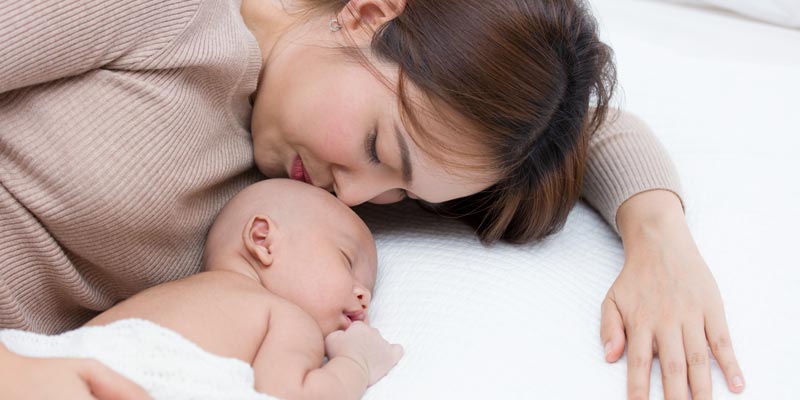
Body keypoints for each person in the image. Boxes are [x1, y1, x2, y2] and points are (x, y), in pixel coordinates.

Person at [0, 0, 743, 399]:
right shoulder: (167, 17)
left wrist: (660, 241)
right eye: (380, 152)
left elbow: (593, 130)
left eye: (397, 194)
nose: (355, 194)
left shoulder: (305, 199)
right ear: (365, 15)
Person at [2, 179, 403, 399]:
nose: (363, 295)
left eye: (366, 286)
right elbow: (293, 395)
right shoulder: (283, 316)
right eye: (347, 263)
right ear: (263, 240)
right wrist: (358, 364)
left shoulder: (164, 294)